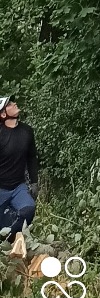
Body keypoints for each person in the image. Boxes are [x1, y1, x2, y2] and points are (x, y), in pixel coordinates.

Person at [0, 97, 38, 242]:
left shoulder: (27, 131)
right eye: (9, 104)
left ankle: (11, 242)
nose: (14, 103)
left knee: (28, 210)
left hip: (18, 187)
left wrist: (34, 182)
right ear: (3, 114)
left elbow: (32, 157)